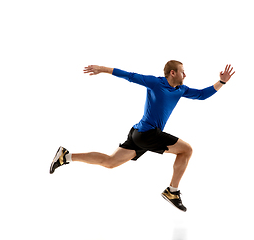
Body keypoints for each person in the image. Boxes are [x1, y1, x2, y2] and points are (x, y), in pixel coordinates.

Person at [49, 60, 235, 212]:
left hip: (139, 133)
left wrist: (222, 82)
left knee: (110, 162)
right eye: (182, 72)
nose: (185, 75)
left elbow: (202, 95)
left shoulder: (181, 90)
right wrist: (103, 69)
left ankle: (66, 156)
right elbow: (129, 76)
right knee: (187, 150)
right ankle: (172, 191)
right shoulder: (155, 82)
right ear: (172, 73)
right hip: (146, 133)